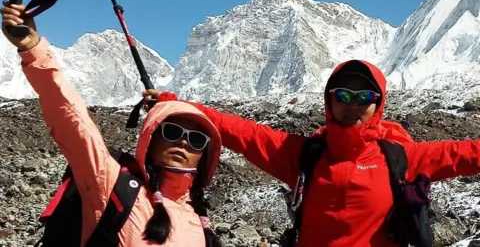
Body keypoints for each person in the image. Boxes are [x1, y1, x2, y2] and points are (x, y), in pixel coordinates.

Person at [143, 57, 480, 245]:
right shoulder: (305, 155)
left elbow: (467, 153)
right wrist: (175, 105)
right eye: (343, 95)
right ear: (329, 99)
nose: (353, 105)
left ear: (378, 104)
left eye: (365, 98)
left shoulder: (402, 157)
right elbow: (240, 131)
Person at [1, 0, 223, 247]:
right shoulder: (112, 185)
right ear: (151, 137)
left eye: (196, 140)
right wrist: (34, 50)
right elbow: (74, 123)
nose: (183, 142)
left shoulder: (200, 225)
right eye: (171, 132)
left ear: (203, 157)